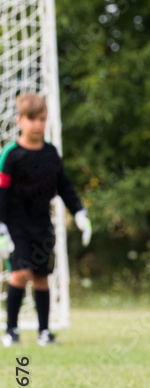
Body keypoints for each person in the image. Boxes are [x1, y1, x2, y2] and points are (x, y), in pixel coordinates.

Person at [0, 93, 91, 346]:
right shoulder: (12, 154)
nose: (37, 125)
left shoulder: (51, 153)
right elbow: (2, 192)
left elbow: (65, 187)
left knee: (41, 276)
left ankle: (44, 332)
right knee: (20, 274)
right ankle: (11, 331)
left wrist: (80, 212)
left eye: (41, 119)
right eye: (32, 119)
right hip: (16, 225)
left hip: (42, 224)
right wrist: (1, 225)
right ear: (20, 121)